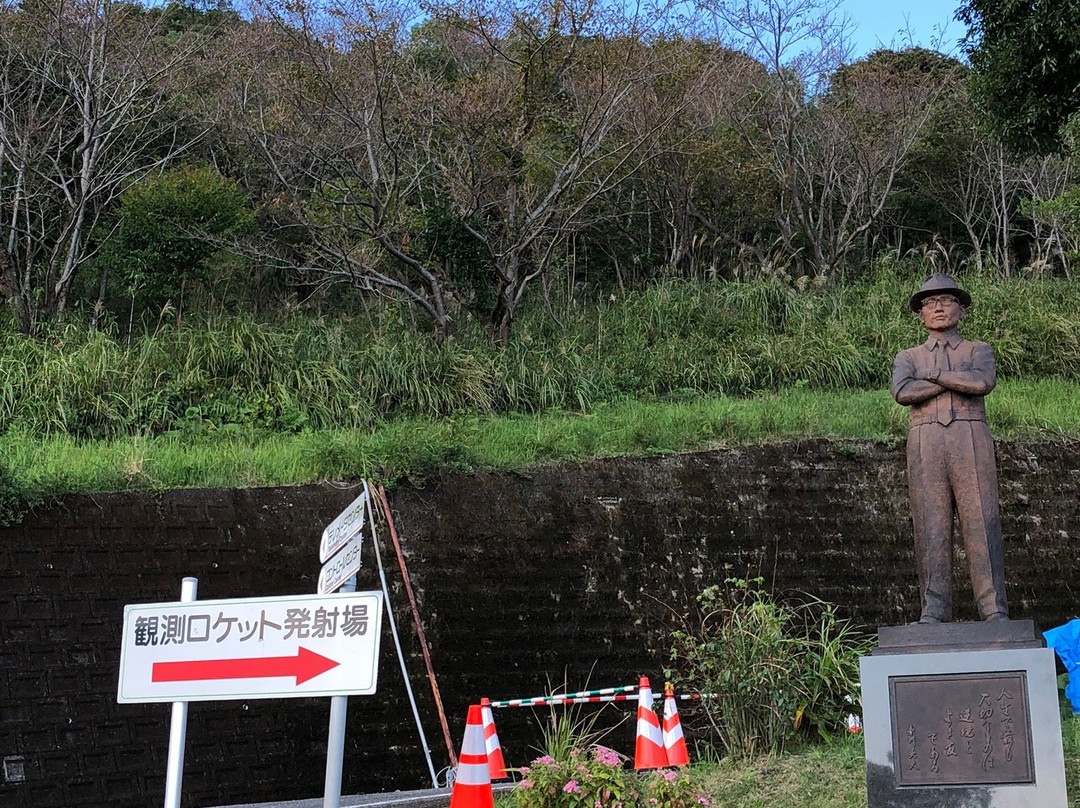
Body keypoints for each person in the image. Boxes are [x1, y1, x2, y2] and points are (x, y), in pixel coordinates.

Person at [890, 274, 1009, 624]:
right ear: (921, 315)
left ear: (960, 308)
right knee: (930, 522)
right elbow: (902, 392)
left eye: (946, 300)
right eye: (930, 303)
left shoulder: (978, 350)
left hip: (970, 437)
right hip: (926, 440)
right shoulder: (908, 356)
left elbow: (981, 382)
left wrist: (935, 376)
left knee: (982, 520)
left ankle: (994, 608)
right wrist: (953, 379)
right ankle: (934, 608)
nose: (938, 307)